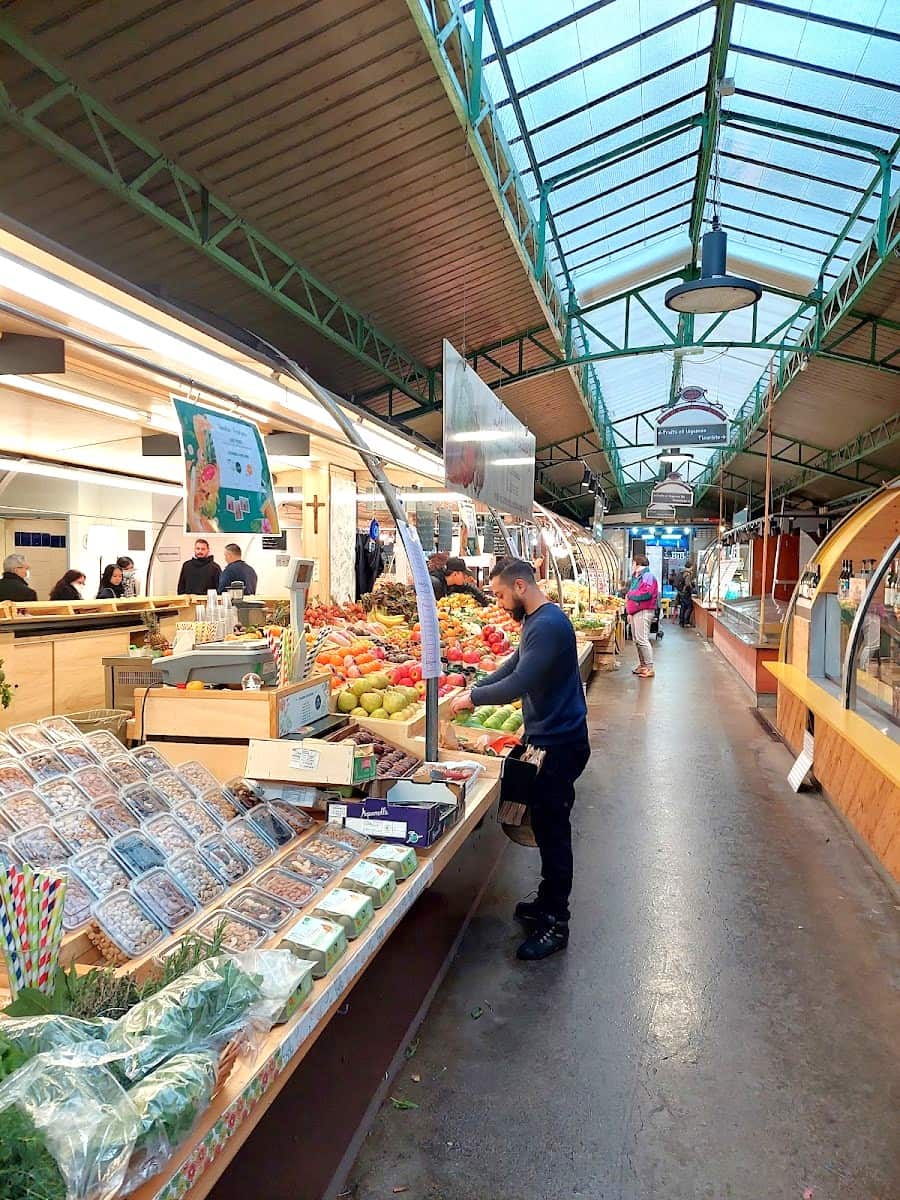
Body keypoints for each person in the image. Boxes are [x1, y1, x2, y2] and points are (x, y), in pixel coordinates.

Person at [450, 558, 589, 961]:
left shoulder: (547, 625)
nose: (497, 602)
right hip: (548, 737)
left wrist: (473, 697)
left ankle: (556, 922)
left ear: (520, 587)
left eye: (499, 594)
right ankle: (546, 902)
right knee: (546, 826)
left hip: (560, 745)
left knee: (554, 829)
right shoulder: (537, 621)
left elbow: (522, 681)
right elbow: (513, 666)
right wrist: (474, 685)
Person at [626, 553, 659, 678]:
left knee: (642, 639)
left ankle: (649, 667)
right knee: (637, 640)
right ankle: (643, 665)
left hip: (644, 611)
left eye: (633, 563)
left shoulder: (648, 576)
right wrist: (630, 611)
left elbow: (647, 593)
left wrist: (631, 595)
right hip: (636, 611)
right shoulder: (638, 577)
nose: (632, 566)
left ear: (637, 564)